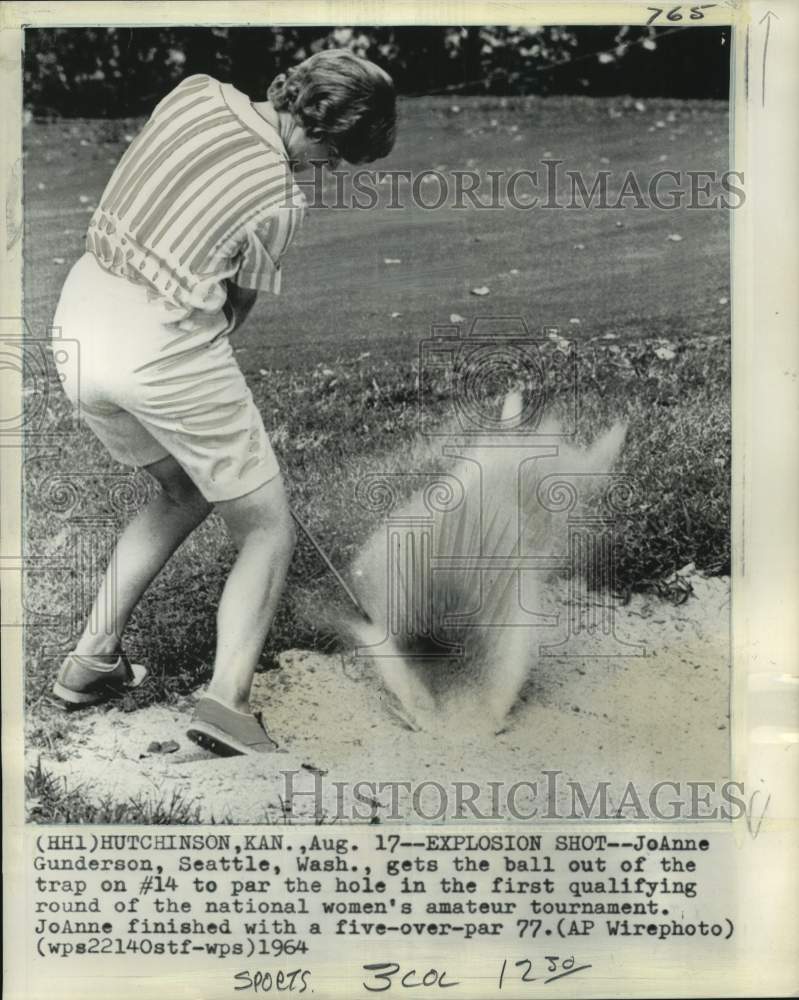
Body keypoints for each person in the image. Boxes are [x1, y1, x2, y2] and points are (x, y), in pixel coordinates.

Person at [50, 49, 397, 755]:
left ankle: (91, 661)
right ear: (324, 131)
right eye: (335, 156)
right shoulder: (279, 200)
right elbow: (234, 310)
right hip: (159, 352)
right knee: (266, 526)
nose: (326, 169)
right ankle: (227, 706)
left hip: (78, 325)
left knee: (183, 491)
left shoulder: (197, 92)